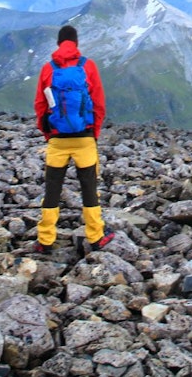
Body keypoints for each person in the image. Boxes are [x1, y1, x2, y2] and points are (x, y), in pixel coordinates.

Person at [32, 24, 113, 253]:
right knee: (89, 188)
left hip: (58, 140)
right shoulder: (87, 66)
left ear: (59, 43)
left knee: (52, 190)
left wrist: (48, 133)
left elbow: (40, 105)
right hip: (84, 138)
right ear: (76, 43)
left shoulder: (48, 69)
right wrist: (93, 132)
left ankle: (45, 240)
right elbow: (98, 103)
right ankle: (96, 237)